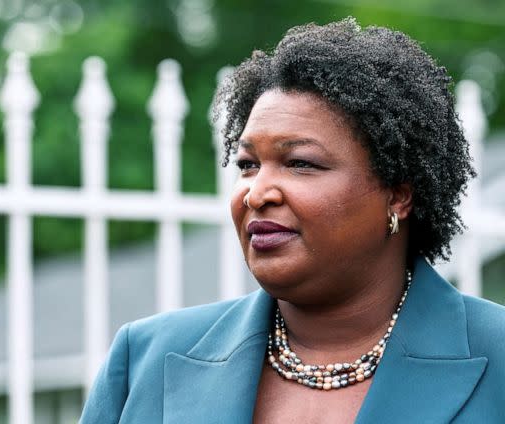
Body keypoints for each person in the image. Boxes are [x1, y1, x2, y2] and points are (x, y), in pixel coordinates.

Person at [80, 18, 505, 423]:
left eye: (300, 163)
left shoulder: (496, 355)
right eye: (248, 164)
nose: (257, 192)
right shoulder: (145, 359)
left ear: (398, 195)